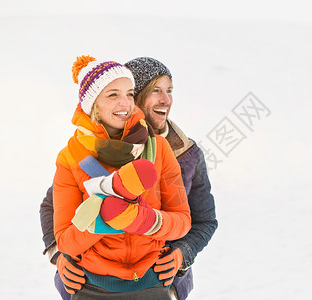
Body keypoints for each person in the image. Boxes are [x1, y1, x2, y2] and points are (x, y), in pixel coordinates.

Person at [40, 57, 218, 300]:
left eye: (129, 93)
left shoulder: (178, 152)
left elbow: (200, 220)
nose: (165, 99)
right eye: (155, 91)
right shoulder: (75, 156)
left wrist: (178, 251)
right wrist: (61, 254)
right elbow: (55, 214)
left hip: (158, 280)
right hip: (90, 282)